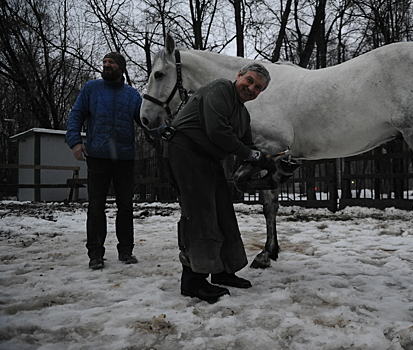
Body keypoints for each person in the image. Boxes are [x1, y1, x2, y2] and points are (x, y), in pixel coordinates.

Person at [166, 62, 273, 303]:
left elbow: (248, 146)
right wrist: (251, 155)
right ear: (239, 76)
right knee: (200, 214)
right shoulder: (219, 89)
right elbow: (217, 131)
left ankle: (223, 270)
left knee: (223, 211)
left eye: (258, 88)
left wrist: (265, 161)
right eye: (250, 81)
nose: (251, 88)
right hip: (185, 151)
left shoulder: (243, 115)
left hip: (208, 158)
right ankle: (193, 281)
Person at [66, 52, 161, 270]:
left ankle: (126, 251)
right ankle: (95, 254)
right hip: (97, 156)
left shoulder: (131, 95)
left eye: (111, 62)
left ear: (121, 67)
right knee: (96, 206)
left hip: (124, 158)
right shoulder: (91, 88)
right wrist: (74, 142)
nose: (106, 65)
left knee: (125, 207)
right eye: (104, 62)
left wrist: (167, 132)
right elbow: (76, 115)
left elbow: (146, 121)